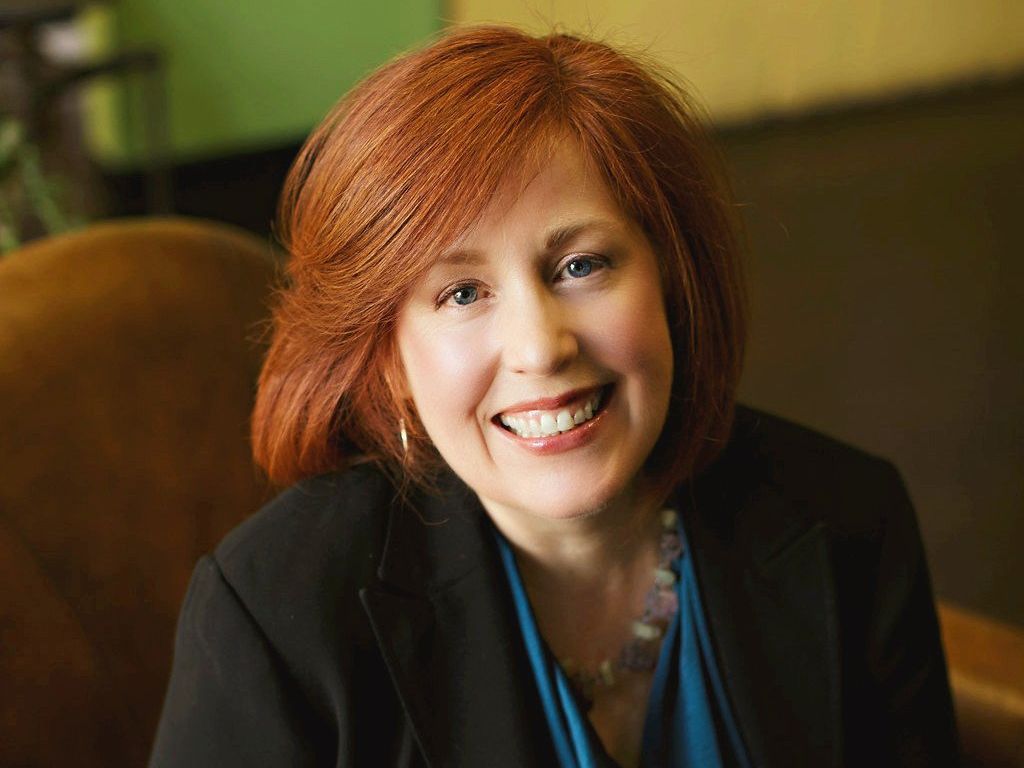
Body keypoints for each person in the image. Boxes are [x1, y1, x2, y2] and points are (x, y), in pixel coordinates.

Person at [149, 25, 959, 768]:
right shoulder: (274, 618)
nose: (541, 347)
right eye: (462, 294)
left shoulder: (852, 522)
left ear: (672, 278)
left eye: (582, 265)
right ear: (390, 358)